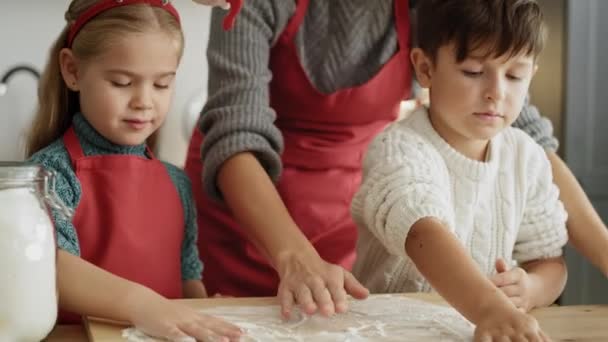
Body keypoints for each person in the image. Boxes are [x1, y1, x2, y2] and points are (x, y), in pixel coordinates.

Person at [187, 0, 608, 318]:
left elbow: (522, 130)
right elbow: (236, 130)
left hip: (353, 216)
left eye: (515, 77)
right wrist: (296, 259)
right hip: (250, 216)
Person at [26, 1, 241, 341]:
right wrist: (144, 306)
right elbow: (48, 266)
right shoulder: (48, 175)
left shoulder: (177, 183)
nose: (144, 100)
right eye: (123, 82)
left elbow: (187, 275)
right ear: (72, 70)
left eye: (161, 85)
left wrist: (203, 314)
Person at [351, 0, 565, 340]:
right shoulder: (400, 148)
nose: (496, 92)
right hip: (383, 331)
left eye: (514, 75)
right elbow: (423, 233)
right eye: (473, 72)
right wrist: (490, 307)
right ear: (425, 69)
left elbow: (550, 263)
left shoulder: (527, 158)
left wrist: (532, 288)